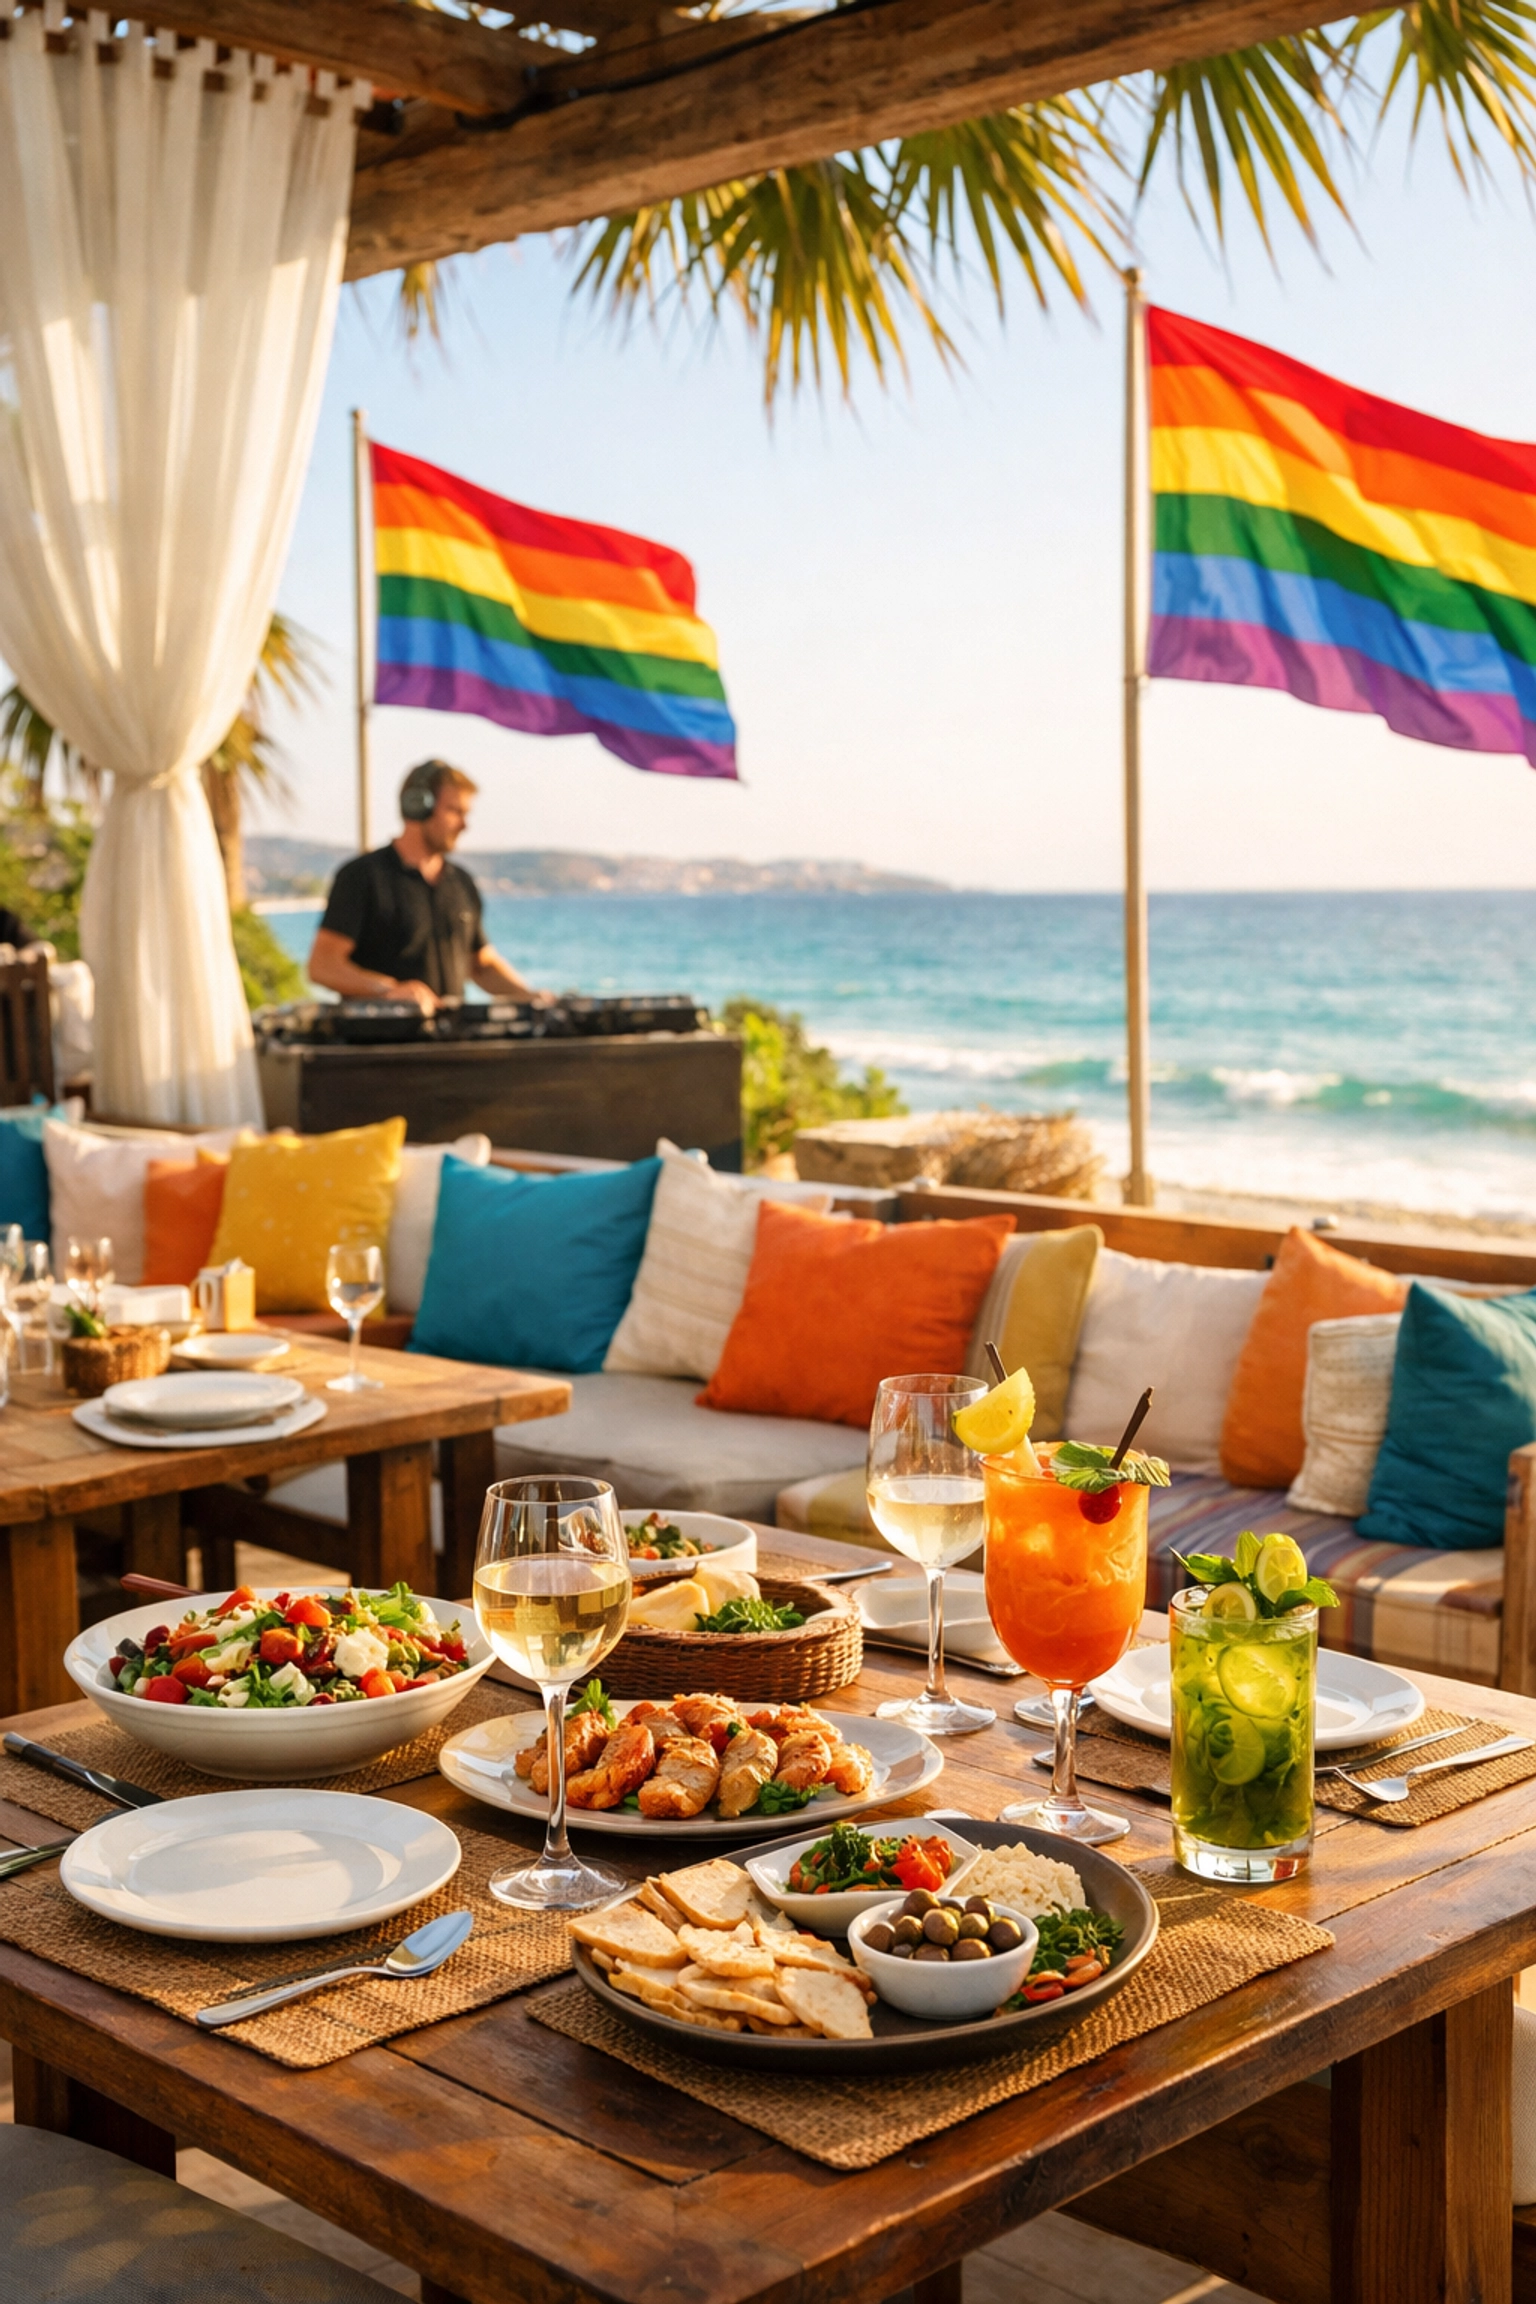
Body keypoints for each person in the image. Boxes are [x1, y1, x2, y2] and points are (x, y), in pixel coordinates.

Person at [308, 760, 550, 1014]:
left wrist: (531, 997)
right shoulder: (362, 876)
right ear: (417, 806)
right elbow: (323, 965)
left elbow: (481, 965)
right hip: (382, 1048)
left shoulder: (462, 882)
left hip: (452, 1045)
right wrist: (390, 990)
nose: (464, 825)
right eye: (455, 812)